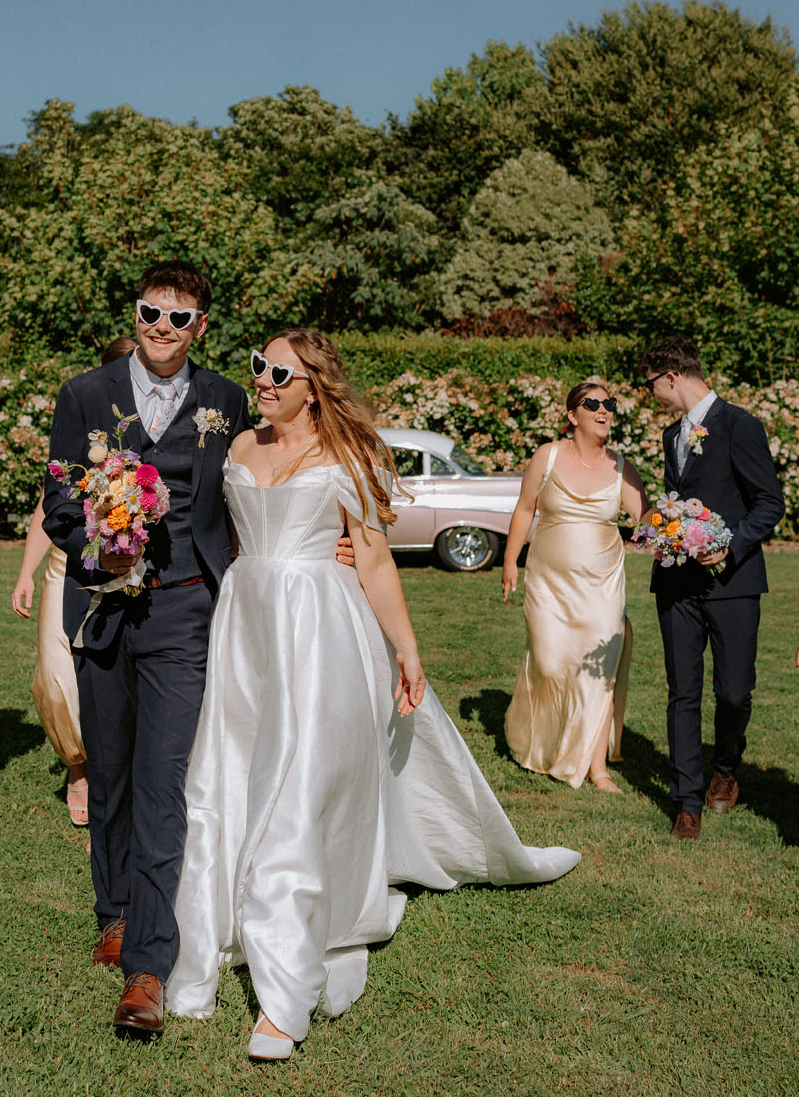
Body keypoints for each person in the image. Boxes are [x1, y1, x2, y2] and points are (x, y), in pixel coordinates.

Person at [166, 329, 581, 1062]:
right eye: (257, 365)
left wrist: (408, 649)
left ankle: (283, 1001)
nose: (259, 379)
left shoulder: (346, 458)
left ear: (315, 384)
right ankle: (208, 940)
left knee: (296, 788)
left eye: (277, 371)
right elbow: (218, 535)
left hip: (319, 631)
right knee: (224, 778)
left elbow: (379, 560)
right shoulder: (234, 447)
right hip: (246, 626)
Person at [42, 262, 250, 1037]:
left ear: (202, 327)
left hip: (186, 608)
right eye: (150, 314)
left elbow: (255, 485)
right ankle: (115, 911)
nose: (162, 330)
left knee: (164, 781)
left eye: (180, 318)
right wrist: (101, 544)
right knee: (115, 767)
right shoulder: (85, 393)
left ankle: (149, 970)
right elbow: (60, 495)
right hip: (102, 606)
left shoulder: (227, 400)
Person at [640, 337, 784, 841]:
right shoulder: (668, 436)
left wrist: (730, 546)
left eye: (650, 384)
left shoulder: (740, 425)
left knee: (734, 692)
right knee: (682, 692)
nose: (651, 394)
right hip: (676, 583)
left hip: (733, 583)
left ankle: (725, 767)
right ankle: (686, 802)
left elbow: (769, 503)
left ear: (671, 377)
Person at [11, 336, 136, 829]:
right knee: (57, 677)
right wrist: (25, 572)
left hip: (127, 570)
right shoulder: (82, 423)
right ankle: (78, 768)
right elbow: (50, 504)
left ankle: (113, 776)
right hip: (67, 569)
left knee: (113, 680)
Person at [501, 379, 648, 793]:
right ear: (572, 415)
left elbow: (648, 518)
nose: (604, 410)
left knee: (599, 671)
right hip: (547, 583)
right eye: (592, 403)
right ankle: (546, 746)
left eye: (609, 404)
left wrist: (685, 527)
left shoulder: (622, 467)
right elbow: (525, 508)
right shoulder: (547, 456)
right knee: (549, 664)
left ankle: (596, 767)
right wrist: (511, 561)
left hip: (602, 584)